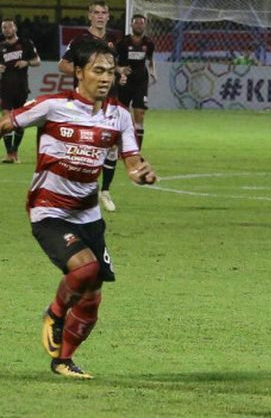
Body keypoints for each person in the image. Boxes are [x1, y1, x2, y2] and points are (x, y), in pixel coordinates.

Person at [0, 38, 157, 379]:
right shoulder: (52, 106)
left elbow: (131, 162)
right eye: (98, 71)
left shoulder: (119, 117)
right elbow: (7, 123)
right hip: (48, 210)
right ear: (80, 72)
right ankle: (55, 314)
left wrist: (140, 172)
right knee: (84, 271)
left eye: (110, 72)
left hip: (88, 216)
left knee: (92, 298)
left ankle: (63, 361)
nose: (105, 78)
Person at [59, 0, 123, 212]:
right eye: (96, 12)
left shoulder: (114, 39)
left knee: (112, 144)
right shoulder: (80, 40)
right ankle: (75, 193)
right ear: (89, 16)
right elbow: (63, 64)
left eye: (103, 12)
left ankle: (105, 191)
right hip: (84, 101)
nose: (100, 16)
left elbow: (113, 67)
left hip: (109, 99)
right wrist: (86, 74)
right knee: (81, 144)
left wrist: (118, 74)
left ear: (108, 16)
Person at [0, 18, 41, 163]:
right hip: (4, 88)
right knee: (5, 118)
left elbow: (37, 61)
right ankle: (9, 153)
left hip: (21, 88)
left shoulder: (25, 43)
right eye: (4, 27)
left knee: (19, 121)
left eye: (9, 26)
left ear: (15, 28)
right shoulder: (1, 46)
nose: (7, 29)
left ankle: (15, 150)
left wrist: (26, 62)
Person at [115, 14, 157, 149]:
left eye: (141, 23)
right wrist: (119, 69)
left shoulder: (149, 43)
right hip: (125, 81)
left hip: (141, 82)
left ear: (145, 26)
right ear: (131, 25)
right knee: (123, 114)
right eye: (136, 23)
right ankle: (120, 145)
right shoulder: (122, 43)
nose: (139, 25)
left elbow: (150, 60)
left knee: (140, 113)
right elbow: (112, 61)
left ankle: (136, 150)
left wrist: (153, 72)